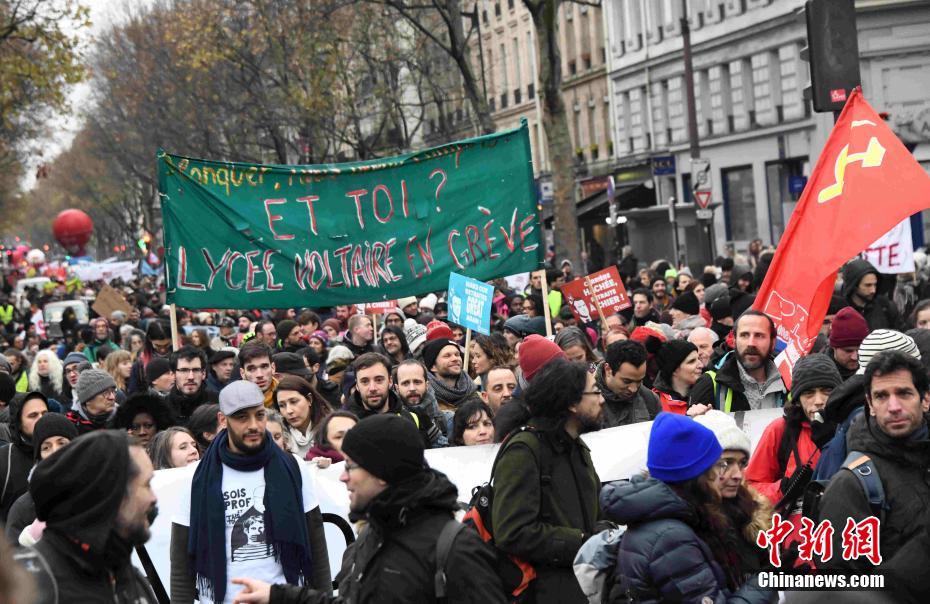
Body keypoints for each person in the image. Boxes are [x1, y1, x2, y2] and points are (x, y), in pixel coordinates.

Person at [230, 413, 506, 604]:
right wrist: (278, 597)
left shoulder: (456, 548)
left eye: (350, 465)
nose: (342, 476)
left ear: (382, 472)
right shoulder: (371, 535)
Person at [170, 380, 331, 604]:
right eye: (242, 417)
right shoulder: (195, 478)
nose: (254, 425)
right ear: (222, 420)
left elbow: (317, 547)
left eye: (260, 415)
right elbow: (181, 564)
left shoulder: (293, 467)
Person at [600, 414, 774, 603]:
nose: (735, 475)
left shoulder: (687, 517)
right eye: (720, 465)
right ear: (697, 473)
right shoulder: (672, 537)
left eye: (741, 463)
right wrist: (768, 581)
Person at [817, 350, 930, 602]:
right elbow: (839, 592)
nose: (893, 407)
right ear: (870, 404)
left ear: (925, 399)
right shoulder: (852, 483)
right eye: (881, 396)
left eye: (904, 393)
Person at [492, 357, 603, 603]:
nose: (602, 399)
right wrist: (582, 542)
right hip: (544, 593)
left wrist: (604, 531)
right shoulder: (524, 449)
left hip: (585, 587)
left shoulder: (577, 445)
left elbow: (592, 508)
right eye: (595, 392)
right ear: (572, 403)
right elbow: (513, 531)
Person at [15, 430, 159, 603]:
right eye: (147, 484)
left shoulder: (126, 575)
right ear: (111, 495)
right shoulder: (31, 586)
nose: (154, 498)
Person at [746, 354, 841, 510]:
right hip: (794, 531)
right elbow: (750, 490)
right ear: (797, 399)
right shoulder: (780, 430)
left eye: (827, 391)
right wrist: (784, 488)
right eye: (809, 393)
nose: (818, 400)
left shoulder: (850, 426)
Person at [694, 411, 771, 587]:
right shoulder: (685, 523)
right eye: (725, 463)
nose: (737, 475)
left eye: (742, 463)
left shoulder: (748, 514)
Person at [689, 310, 787, 411]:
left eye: (759, 335)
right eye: (744, 335)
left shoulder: (789, 382)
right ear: (734, 340)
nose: (751, 343)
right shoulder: (710, 383)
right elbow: (692, 425)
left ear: (773, 342)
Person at [5, 412, 78, 546]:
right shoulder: (23, 508)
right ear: (39, 458)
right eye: (46, 447)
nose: (55, 452)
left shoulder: (96, 492)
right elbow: (14, 560)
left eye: (62, 443)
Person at [343, 353, 434, 447]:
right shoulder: (345, 426)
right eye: (365, 381)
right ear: (357, 385)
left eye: (379, 380)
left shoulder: (412, 420)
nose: (372, 388)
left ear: (390, 381)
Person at [0, 391, 49, 522]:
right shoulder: (5, 459)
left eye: (45, 414)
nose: (41, 419)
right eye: (33, 415)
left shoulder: (64, 453)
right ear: (19, 423)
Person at [595, 340, 660, 427]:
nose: (633, 389)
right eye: (627, 381)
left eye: (639, 381)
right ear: (608, 370)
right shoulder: (587, 398)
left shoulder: (650, 399)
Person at [273, 375, 331, 458]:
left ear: (309, 399)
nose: (289, 411)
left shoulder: (332, 428)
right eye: (282, 405)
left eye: (293, 402)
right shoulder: (276, 436)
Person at [392, 358, 447, 446]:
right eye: (405, 383)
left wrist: (433, 434)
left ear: (427, 385)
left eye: (417, 382)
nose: (412, 388)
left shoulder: (446, 419)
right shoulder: (390, 420)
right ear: (397, 388)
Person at [841, 258, 905, 331]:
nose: (873, 290)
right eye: (868, 285)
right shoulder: (841, 310)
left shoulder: (885, 306)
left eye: (875, 284)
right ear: (854, 286)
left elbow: (902, 332)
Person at [167, 345, 220, 424]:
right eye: (184, 370)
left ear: (203, 373)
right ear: (173, 374)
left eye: (196, 370)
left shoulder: (218, 402)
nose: (190, 377)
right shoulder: (163, 408)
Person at [423, 338, 478, 411]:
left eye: (457, 354)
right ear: (433, 367)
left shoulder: (475, 395)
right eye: (447, 356)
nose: (455, 358)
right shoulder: (426, 401)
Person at [653, 340, 705, 415]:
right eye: (692, 361)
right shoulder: (655, 401)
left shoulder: (706, 391)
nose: (701, 365)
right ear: (674, 370)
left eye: (698, 359)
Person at [112, 392, 177, 447]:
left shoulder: (169, 455)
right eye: (135, 428)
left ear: (159, 427)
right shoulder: (122, 458)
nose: (142, 432)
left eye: (148, 426)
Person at [67, 369, 118, 435]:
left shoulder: (123, 418)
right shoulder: (71, 424)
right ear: (87, 400)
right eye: (105, 393)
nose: (112, 397)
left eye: (113, 391)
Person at [826, 306, 869, 381]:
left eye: (860, 350)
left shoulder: (874, 371)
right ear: (833, 347)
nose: (855, 357)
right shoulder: (820, 375)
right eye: (848, 351)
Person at [239, 343, 279, 408]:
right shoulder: (234, 403)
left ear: (273, 368)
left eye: (264, 367)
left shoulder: (288, 395)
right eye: (251, 369)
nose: (259, 375)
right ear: (242, 373)